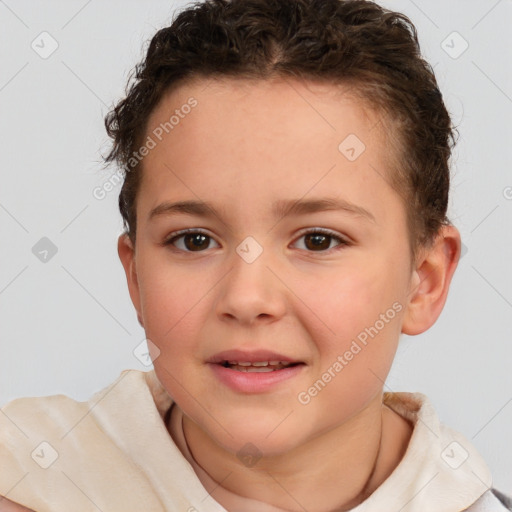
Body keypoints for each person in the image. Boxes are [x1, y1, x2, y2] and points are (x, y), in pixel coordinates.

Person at [1, 0, 511, 510]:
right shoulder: (27, 478)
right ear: (135, 277)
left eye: (318, 240)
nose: (247, 298)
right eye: (194, 240)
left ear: (424, 280)